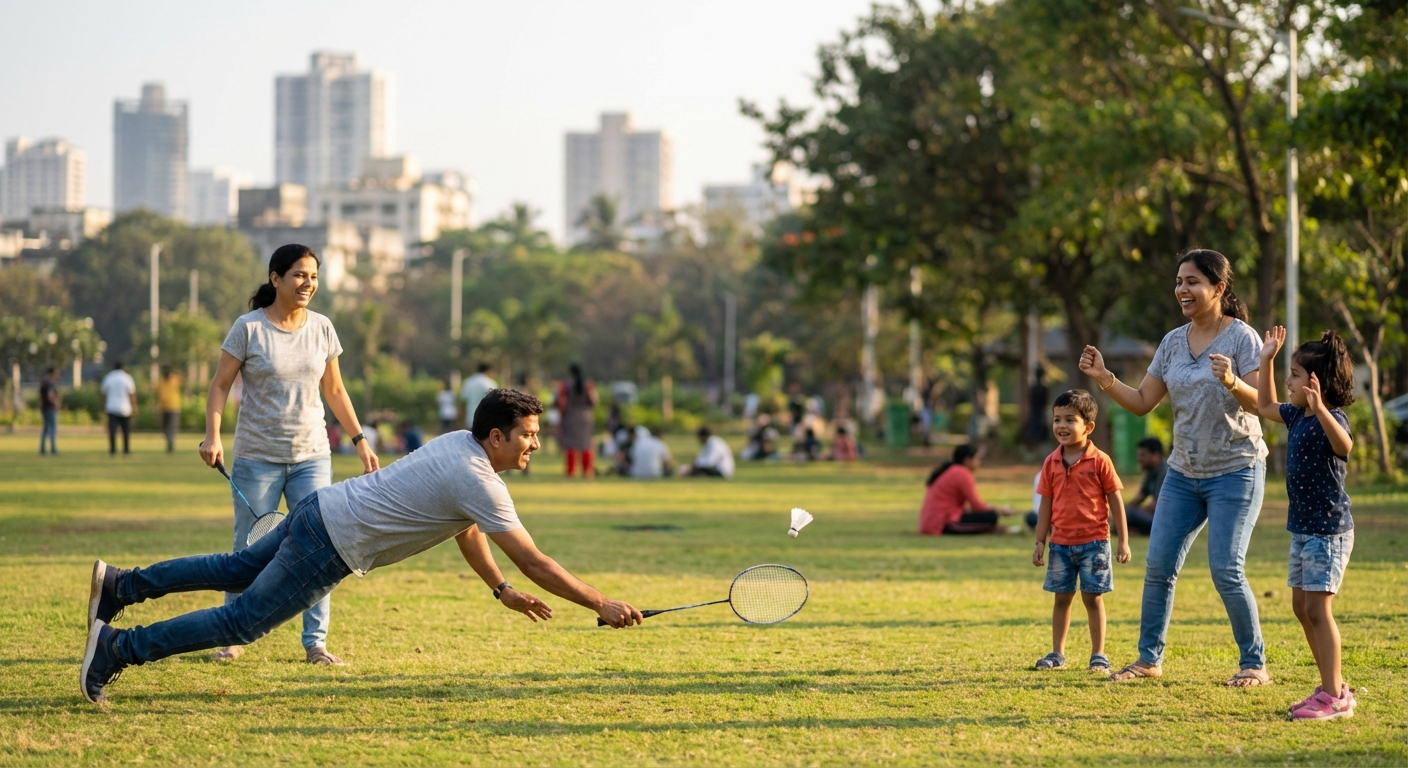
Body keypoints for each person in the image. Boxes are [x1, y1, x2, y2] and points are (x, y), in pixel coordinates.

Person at [79, 388, 644, 704]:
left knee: (235, 568)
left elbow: (464, 530)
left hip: (322, 508)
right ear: (496, 436)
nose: (535, 445)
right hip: (330, 542)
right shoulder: (480, 478)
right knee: (242, 624)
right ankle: (116, 650)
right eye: (527, 435)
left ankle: (122, 584)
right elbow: (536, 560)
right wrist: (600, 603)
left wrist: (500, 590)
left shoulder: (458, 445)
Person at [1081, 248, 1270, 687]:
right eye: (1179, 281)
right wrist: (1105, 378)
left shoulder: (1241, 338)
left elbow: (1261, 402)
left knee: (1226, 568)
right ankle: (1149, 659)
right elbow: (1145, 403)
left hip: (1236, 468)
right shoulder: (1172, 341)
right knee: (1158, 565)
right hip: (1184, 471)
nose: (1182, 290)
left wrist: (1232, 381)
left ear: (1218, 288)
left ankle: (1254, 664)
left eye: (1192, 282)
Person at [200, 244, 379, 667]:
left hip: (312, 456)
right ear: (276, 278)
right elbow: (220, 385)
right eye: (299, 275)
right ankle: (232, 636)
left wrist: (359, 439)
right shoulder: (248, 329)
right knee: (247, 550)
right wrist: (213, 436)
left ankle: (315, 642)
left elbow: (334, 390)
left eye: (313, 276)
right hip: (256, 458)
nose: (308, 284)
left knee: (322, 546)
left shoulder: (322, 328)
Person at [1257, 327, 1358, 720]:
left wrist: (1320, 411)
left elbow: (1344, 447)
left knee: (1318, 610)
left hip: (1327, 531)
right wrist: (1266, 359)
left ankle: (1334, 697)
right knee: (1301, 607)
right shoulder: (1296, 414)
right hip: (1302, 528)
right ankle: (1331, 684)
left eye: (1295, 375)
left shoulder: (1330, 417)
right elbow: (1265, 404)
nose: (1289, 381)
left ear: (1317, 383)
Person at [1031, 390, 1131, 674]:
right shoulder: (1051, 462)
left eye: (1069, 420)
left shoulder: (1100, 461)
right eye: (1057, 419)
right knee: (1061, 597)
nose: (1061, 426)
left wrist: (1123, 541)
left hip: (1095, 543)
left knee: (1092, 597)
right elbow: (1045, 506)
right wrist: (1040, 541)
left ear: (1088, 427)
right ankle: (1057, 653)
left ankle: (1098, 654)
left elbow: (1116, 502)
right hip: (1060, 544)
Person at [918, 444, 1011, 535]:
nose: (979, 462)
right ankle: (989, 528)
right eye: (977, 458)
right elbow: (977, 506)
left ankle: (990, 528)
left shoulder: (952, 470)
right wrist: (999, 510)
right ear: (967, 460)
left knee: (987, 515)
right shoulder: (961, 473)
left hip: (932, 522)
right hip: (943, 522)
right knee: (991, 516)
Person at [557, 364, 599, 478]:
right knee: (586, 444)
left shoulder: (566, 385)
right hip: (586, 417)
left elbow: (561, 403)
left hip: (571, 416)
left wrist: (562, 417)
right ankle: (587, 471)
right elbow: (595, 401)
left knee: (571, 444)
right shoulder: (588, 384)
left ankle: (570, 471)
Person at [1125, 437, 1169, 536]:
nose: (1139, 459)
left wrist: (1131, 513)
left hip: (1167, 521)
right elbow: (1141, 496)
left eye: (1143, 455)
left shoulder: (1165, 471)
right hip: (1155, 517)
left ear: (1156, 455)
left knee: (1130, 513)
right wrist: (1123, 509)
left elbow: (1159, 504)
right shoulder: (1151, 471)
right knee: (1126, 512)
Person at [100, 361, 137, 456]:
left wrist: (103, 406)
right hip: (125, 407)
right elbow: (131, 394)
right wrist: (134, 406)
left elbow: (103, 393)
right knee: (126, 430)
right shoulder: (127, 378)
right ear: (123, 367)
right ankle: (126, 450)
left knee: (112, 430)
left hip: (111, 407)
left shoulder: (109, 377)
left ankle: (112, 450)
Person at [157, 366, 183, 453]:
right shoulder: (161, 382)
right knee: (165, 427)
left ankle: (171, 443)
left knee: (172, 426)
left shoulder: (175, 379)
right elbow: (158, 394)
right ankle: (169, 441)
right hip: (164, 407)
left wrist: (174, 372)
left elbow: (181, 377)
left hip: (174, 407)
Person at [39, 367, 59, 455]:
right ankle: (53, 449)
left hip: (44, 407)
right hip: (50, 408)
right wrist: (56, 404)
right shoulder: (50, 383)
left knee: (46, 428)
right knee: (52, 429)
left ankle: (42, 449)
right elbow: (50, 395)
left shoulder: (43, 383)